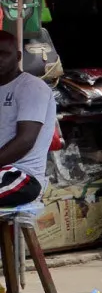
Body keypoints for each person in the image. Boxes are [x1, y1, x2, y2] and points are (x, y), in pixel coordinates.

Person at [0, 30, 58, 220]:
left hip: (22, 176)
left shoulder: (31, 87)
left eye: (4, 54)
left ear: (17, 57)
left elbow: (25, 140)